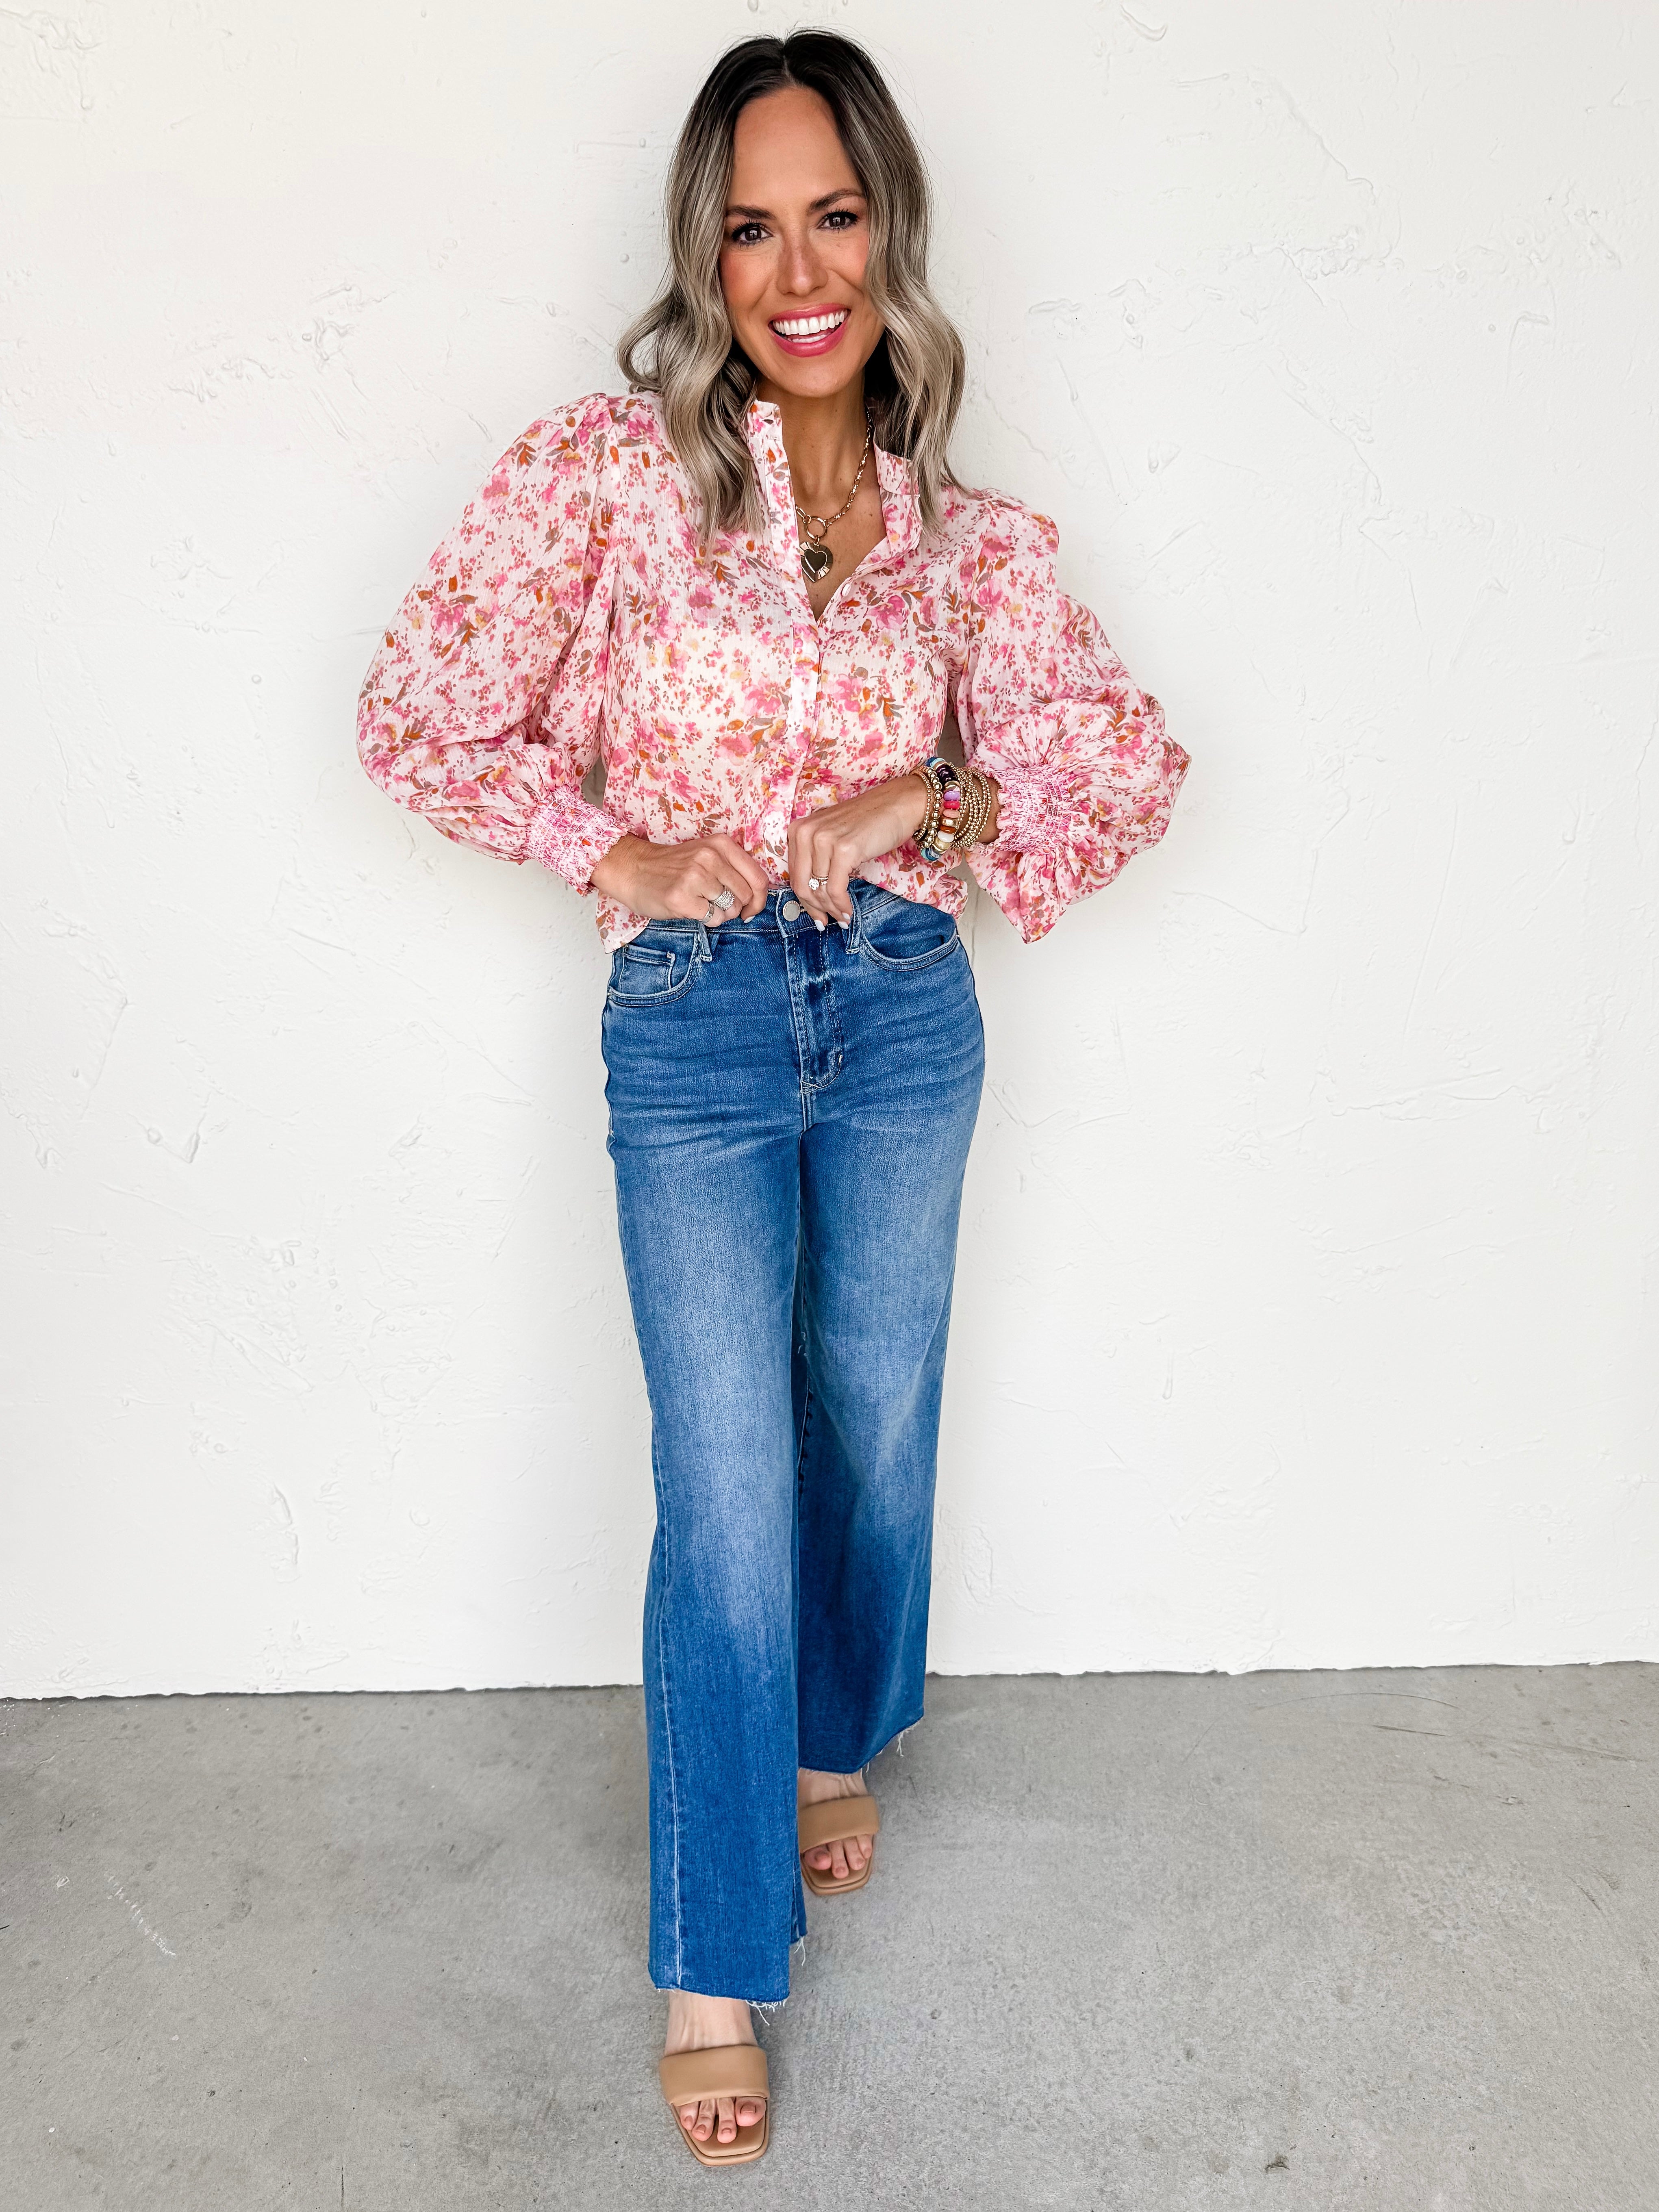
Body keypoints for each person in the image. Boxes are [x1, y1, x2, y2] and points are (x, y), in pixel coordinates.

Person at [356, 29, 1188, 2168]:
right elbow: (417, 712)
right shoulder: (604, 478)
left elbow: (1126, 767)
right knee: (724, 1476)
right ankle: (712, 1959)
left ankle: (832, 1730)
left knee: (873, 1413)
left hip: (903, 1004)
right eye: (750, 227)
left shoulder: (963, 541)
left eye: (834, 217)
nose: (798, 272)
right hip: (696, 1023)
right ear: (700, 253)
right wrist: (617, 851)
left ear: (891, 233)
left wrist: (929, 793)